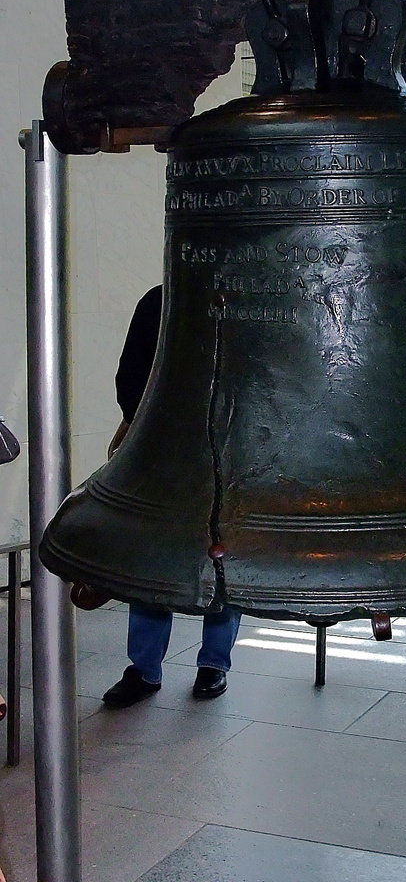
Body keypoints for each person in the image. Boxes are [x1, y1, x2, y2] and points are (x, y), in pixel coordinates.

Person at [102, 285, 242, 709]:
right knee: (161, 558)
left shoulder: (167, 298)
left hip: (213, 445)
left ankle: (208, 663)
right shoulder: (164, 301)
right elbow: (132, 376)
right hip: (179, 447)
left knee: (214, 557)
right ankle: (159, 667)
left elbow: (130, 378)